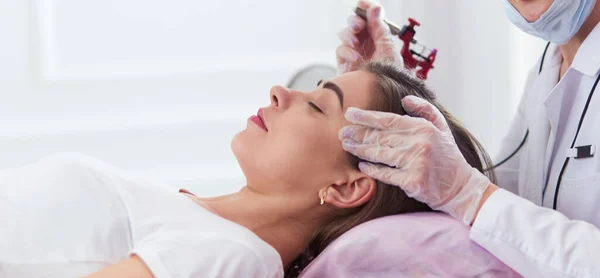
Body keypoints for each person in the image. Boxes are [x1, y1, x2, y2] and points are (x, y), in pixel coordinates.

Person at [0, 61, 495, 277]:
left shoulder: (232, 256)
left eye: (318, 105)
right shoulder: (201, 220)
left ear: (348, 187)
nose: (281, 92)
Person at [337, 0, 600, 277]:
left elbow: (476, 195)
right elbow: (497, 196)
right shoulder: (548, 67)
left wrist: (470, 194)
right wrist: (392, 98)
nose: (285, 93)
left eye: (317, 106)